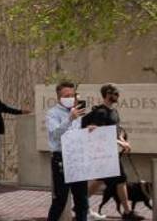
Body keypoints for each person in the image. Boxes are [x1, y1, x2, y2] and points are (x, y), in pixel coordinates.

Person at [81, 84, 144, 220]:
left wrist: (123, 140)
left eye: (117, 94)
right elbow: (99, 134)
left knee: (100, 180)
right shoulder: (100, 113)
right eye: (114, 93)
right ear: (107, 95)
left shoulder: (114, 112)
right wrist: (121, 143)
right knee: (121, 179)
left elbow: (117, 130)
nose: (117, 96)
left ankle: (80, 205)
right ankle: (127, 212)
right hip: (103, 154)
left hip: (111, 152)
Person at [47, 81, 90, 221]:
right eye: (66, 96)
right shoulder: (52, 113)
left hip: (78, 158)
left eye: (72, 95)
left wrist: (90, 129)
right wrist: (70, 119)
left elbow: (81, 133)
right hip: (61, 158)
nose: (70, 98)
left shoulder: (79, 112)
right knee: (60, 200)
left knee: (82, 200)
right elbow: (55, 134)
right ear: (59, 97)